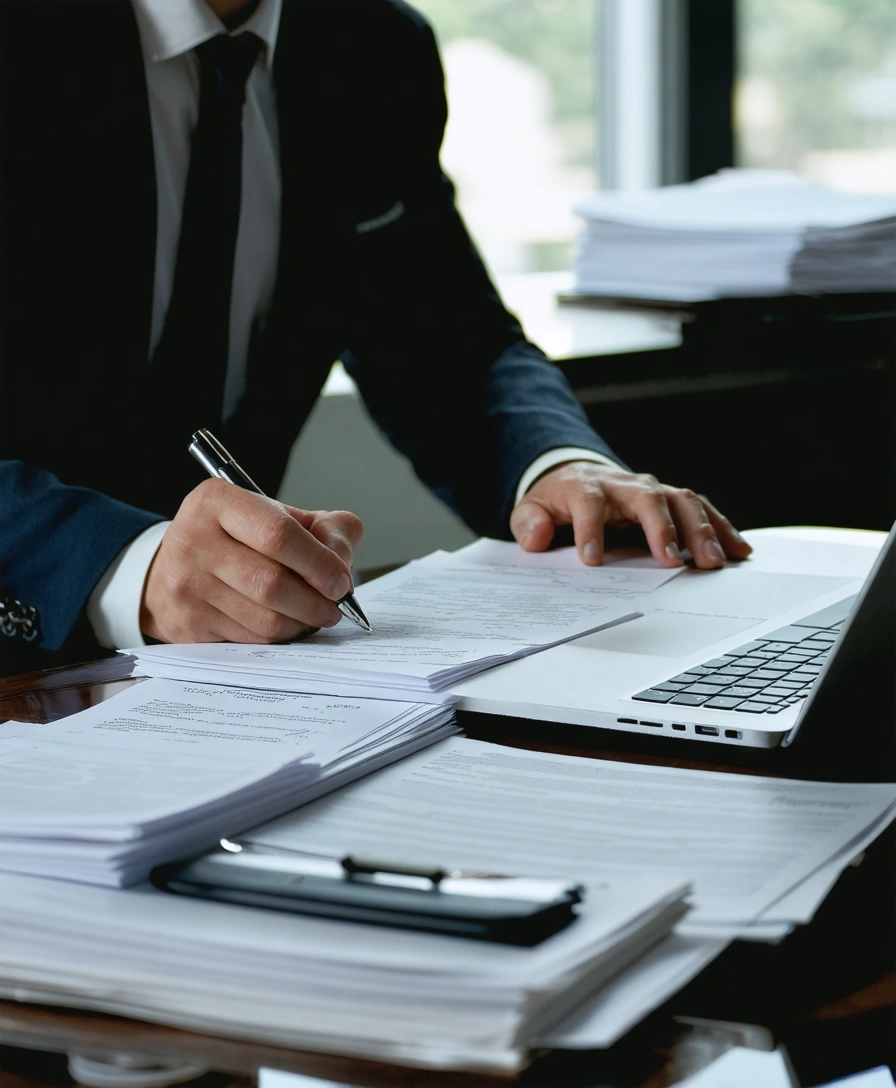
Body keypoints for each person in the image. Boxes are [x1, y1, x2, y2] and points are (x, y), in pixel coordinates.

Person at [0, 0, 751, 676]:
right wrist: (128, 565)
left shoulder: (370, 45)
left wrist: (553, 466)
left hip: (240, 681)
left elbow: (445, 335)